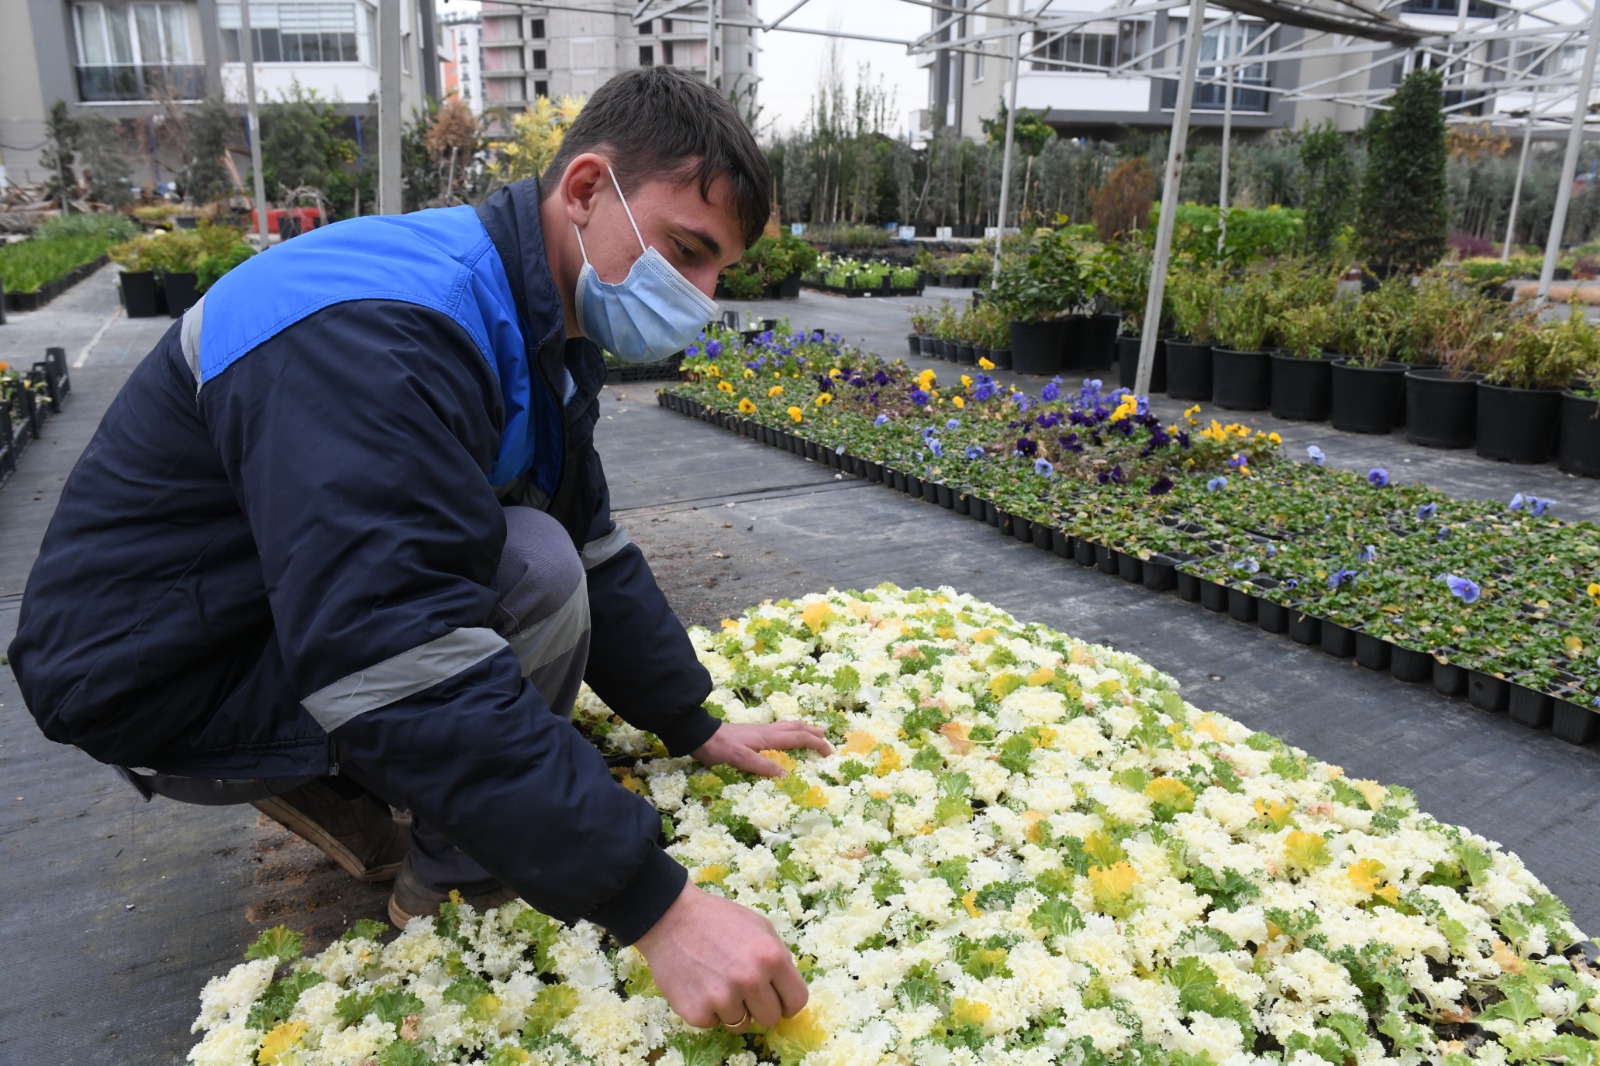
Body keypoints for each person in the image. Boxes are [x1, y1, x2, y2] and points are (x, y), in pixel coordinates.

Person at [9, 67, 830, 1033]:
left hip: (269, 609)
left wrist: (691, 723)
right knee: (519, 578)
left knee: (547, 553)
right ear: (583, 190)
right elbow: (395, 644)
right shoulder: (386, 327)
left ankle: (357, 775)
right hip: (158, 671)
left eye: (718, 272)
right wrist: (659, 907)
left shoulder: (536, 320)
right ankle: (446, 895)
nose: (698, 296)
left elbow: (594, 544)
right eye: (687, 253)